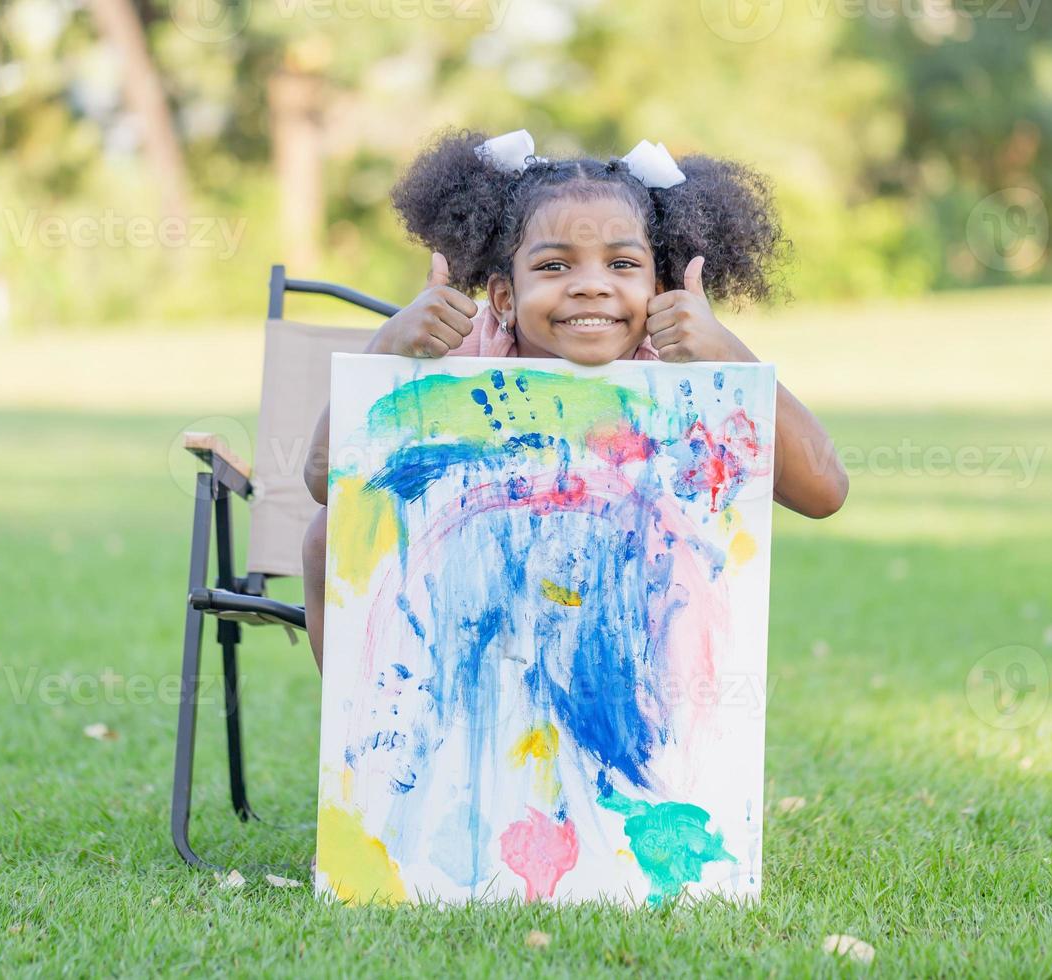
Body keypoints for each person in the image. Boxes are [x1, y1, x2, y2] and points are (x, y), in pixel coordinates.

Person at [299, 128, 848, 671]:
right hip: (474, 615)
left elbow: (824, 492)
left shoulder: (685, 369)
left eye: (623, 264)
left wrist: (731, 354)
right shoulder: (463, 356)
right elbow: (326, 482)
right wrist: (385, 351)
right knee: (324, 537)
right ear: (504, 297)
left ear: (660, 291)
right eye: (554, 266)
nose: (591, 285)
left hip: (632, 635)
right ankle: (368, 753)